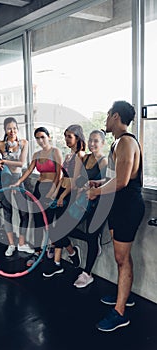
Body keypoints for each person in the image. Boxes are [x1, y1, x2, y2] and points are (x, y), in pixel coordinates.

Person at [87, 101, 145, 332]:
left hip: (128, 206)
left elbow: (122, 183)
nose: (106, 118)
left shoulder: (127, 142)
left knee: (122, 258)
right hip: (119, 205)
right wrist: (99, 183)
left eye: (109, 114)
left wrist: (95, 192)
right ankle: (124, 295)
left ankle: (120, 313)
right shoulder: (117, 143)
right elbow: (118, 177)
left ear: (116, 116)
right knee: (121, 257)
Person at [11, 127, 63, 266]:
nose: (40, 140)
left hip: (51, 189)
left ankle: (51, 247)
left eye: (43, 137)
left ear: (49, 137)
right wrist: (18, 182)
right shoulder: (36, 154)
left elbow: (59, 174)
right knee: (38, 222)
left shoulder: (55, 152)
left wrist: (53, 192)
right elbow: (28, 170)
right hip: (39, 189)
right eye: (38, 138)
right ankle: (37, 252)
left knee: (49, 223)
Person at [0, 117, 34, 256]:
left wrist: (2, 160)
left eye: (14, 128)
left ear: (18, 129)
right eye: (9, 128)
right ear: (5, 130)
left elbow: (21, 163)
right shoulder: (1, 144)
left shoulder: (24, 143)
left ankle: (21, 244)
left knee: (24, 213)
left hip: (18, 180)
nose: (12, 131)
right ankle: (11, 244)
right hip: (4, 180)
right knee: (7, 212)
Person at [42, 124, 85, 278]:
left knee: (58, 229)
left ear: (77, 138)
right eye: (65, 136)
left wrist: (61, 196)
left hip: (70, 195)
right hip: (61, 192)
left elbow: (74, 180)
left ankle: (58, 263)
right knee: (56, 229)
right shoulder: (68, 156)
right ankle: (71, 253)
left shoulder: (80, 155)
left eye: (69, 136)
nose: (66, 139)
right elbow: (62, 177)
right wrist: (54, 193)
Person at [71, 130, 108, 288]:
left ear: (102, 143)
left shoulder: (105, 161)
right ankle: (92, 242)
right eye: (90, 140)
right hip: (82, 201)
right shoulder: (85, 158)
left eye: (96, 141)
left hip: (99, 204)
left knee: (92, 235)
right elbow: (78, 179)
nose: (92, 144)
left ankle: (87, 273)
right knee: (66, 228)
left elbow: (107, 182)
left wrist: (92, 183)